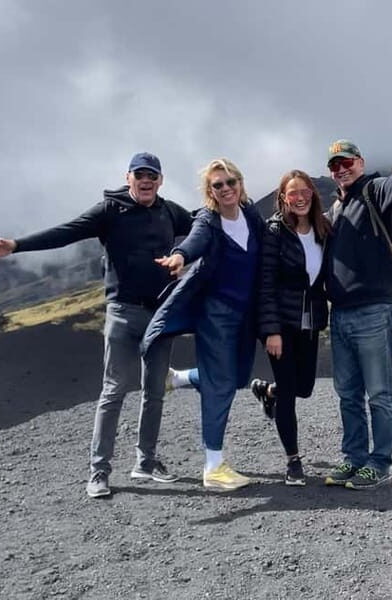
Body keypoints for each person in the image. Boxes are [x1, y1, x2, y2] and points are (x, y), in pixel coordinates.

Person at [0, 152, 192, 498]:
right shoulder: (109, 211)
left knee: (154, 390)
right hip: (123, 312)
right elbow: (66, 232)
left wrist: (230, 208)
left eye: (152, 175)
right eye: (140, 174)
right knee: (114, 390)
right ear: (128, 177)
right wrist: (16, 245)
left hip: (160, 314)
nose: (146, 180)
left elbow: (201, 226)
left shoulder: (169, 212)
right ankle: (99, 471)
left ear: (160, 181)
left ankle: (146, 461)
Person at [144, 158, 264, 491]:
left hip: (246, 315)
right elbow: (194, 241)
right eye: (217, 185)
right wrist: (180, 256)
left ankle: (178, 378)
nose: (226, 189)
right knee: (221, 385)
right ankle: (213, 467)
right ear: (210, 191)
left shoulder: (250, 214)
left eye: (230, 182)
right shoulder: (208, 220)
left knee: (237, 377)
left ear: (240, 183)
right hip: (217, 315)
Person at [322, 139, 392, 490]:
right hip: (340, 315)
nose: (342, 169)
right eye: (335, 165)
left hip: (373, 311)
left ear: (360, 162)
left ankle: (379, 463)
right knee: (348, 394)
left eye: (347, 162)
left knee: (379, 392)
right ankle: (354, 459)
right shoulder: (335, 210)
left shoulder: (373, 190)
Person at [248, 170, 331, 486]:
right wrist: (271, 331)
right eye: (292, 193)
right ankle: (293, 461)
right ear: (283, 198)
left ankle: (267, 391)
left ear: (313, 194)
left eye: (305, 191)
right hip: (280, 323)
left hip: (309, 322)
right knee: (289, 391)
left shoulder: (323, 229)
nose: (300, 198)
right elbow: (265, 283)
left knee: (303, 387)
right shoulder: (275, 232)